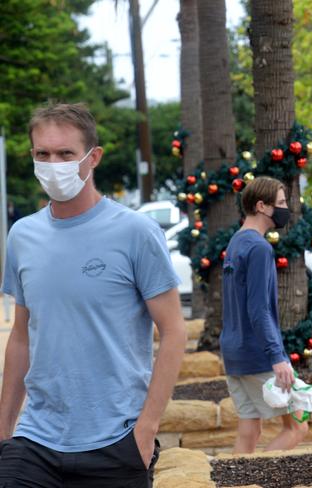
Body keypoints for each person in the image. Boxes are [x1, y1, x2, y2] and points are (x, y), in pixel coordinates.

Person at [0, 103, 187, 487]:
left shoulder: (136, 232)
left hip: (117, 441)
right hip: (35, 439)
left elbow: (173, 331)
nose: (53, 164)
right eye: (43, 154)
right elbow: (21, 337)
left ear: (93, 157)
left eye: (65, 154)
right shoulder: (22, 235)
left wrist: (146, 429)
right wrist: (4, 429)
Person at [221, 176, 308, 454]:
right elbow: (259, 310)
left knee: (250, 427)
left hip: (234, 352)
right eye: (281, 203)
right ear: (261, 205)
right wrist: (277, 357)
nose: (285, 209)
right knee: (298, 425)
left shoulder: (236, 242)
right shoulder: (259, 247)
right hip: (257, 353)